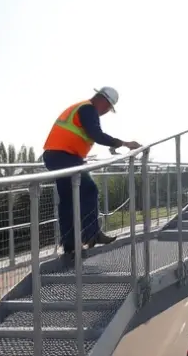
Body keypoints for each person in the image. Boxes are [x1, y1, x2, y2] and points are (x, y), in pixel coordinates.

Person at [42, 87, 142, 261]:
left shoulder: (82, 108)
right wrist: (124, 143)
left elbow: (85, 134)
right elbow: (96, 134)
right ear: (103, 101)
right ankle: (92, 234)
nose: (105, 112)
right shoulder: (88, 109)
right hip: (64, 156)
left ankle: (70, 246)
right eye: (108, 108)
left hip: (58, 156)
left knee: (68, 201)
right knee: (89, 190)